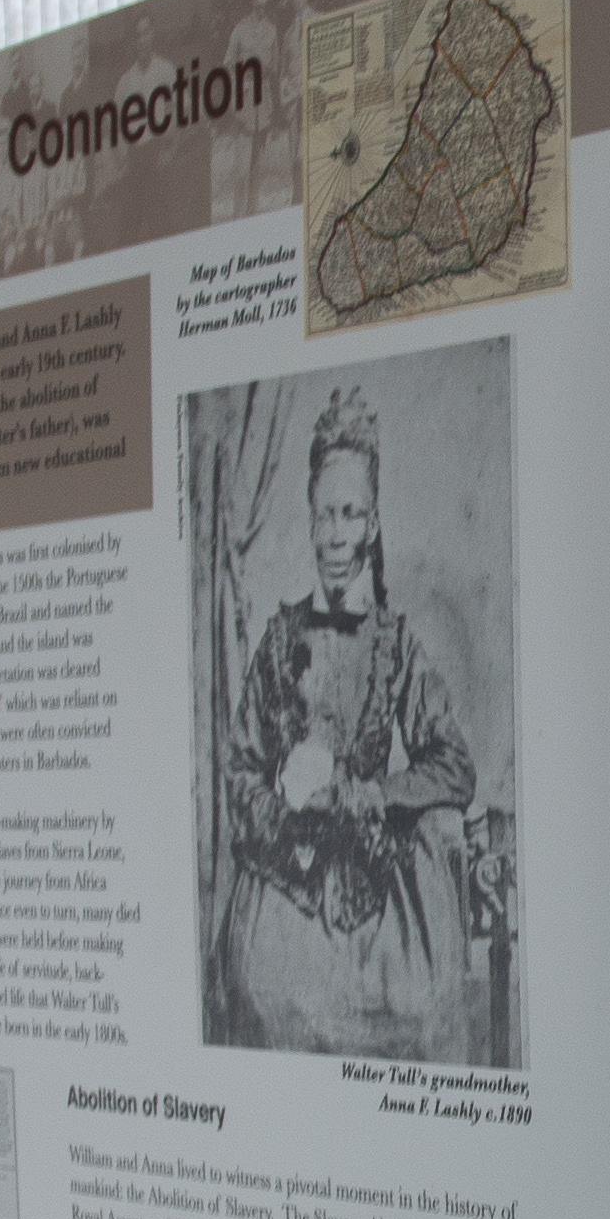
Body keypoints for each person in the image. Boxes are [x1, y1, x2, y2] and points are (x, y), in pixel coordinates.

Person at [217, 389, 502, 1062]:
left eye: (352, 515)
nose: (337, 536)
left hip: (376, 897)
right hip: (289, 888)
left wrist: (361, 794)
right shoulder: (279, 639)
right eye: (326, 516)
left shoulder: (394, 645)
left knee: (415, 1007)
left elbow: (453, 766)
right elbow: (238, 772)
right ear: (310, 521)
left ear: (373, 526)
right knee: (267, 996)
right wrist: (285, 810)